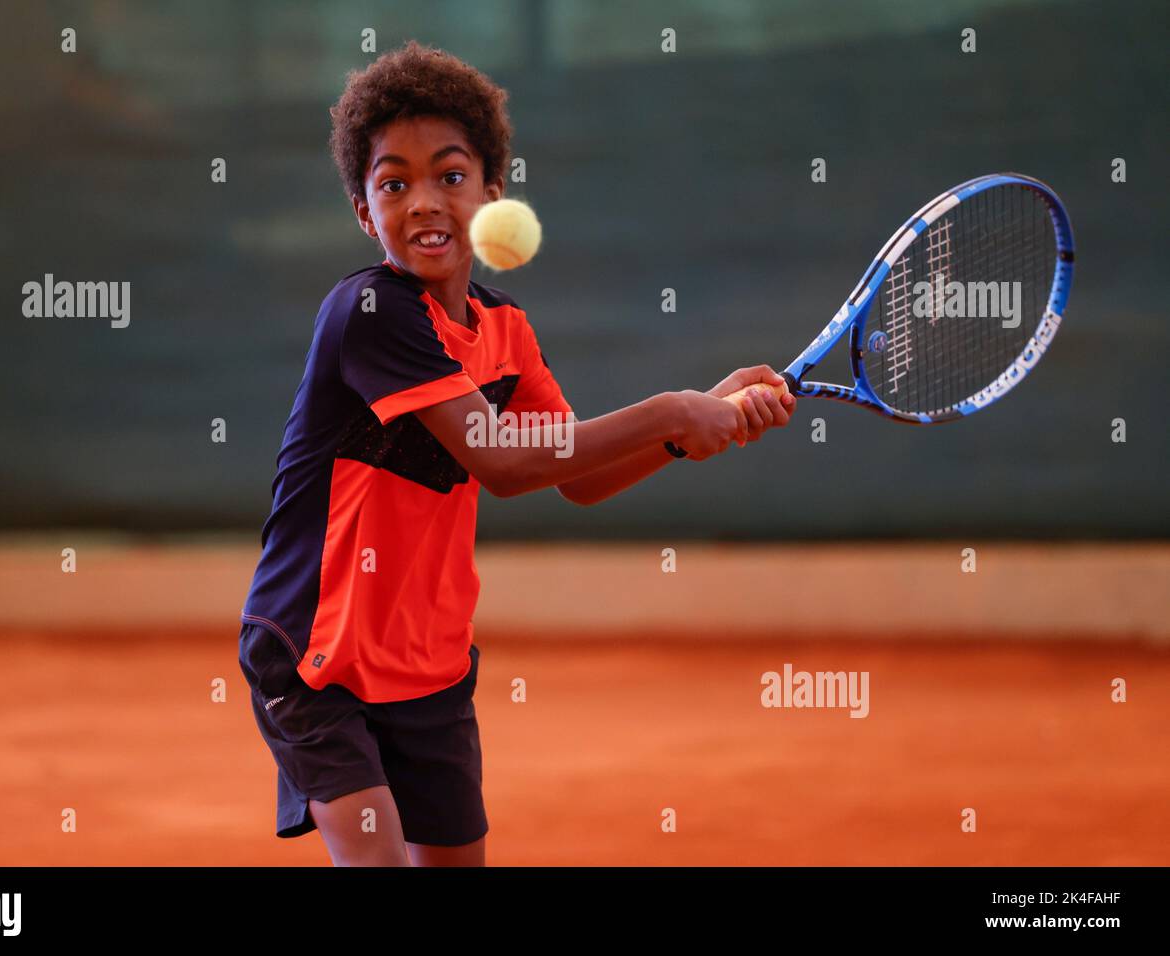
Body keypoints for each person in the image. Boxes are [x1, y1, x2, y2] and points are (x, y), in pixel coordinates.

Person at [239, 40, 796, 867]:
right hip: (317, 660)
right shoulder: (367, 310)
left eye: (450, 176)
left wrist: (689, 425)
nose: (423, 201)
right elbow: (499, 461)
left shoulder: (505, 330)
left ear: (493, 195)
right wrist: (672, 410)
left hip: (429, 663)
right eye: (393, 183)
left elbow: (579, 477)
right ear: (364, 212)